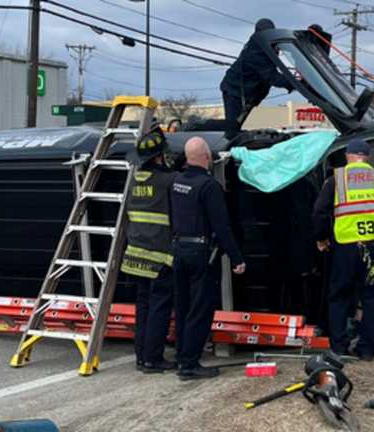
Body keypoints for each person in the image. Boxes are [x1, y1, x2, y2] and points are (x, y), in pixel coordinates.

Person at [313, 139, 374, 359]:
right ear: (368, 157)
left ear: (348, 156)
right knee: (372, 297)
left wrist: (322, 238)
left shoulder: (336, 178)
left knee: (339, 296)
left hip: (345, 247)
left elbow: (320, 212)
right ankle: (366, 350)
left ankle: (339, 348)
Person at [170, 137, 246, 380]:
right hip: (202, 254)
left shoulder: (177, 181)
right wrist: (236, 258)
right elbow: (221, 226)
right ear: (205, 157)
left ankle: (182, 355)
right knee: (200, 309)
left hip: (179, 249)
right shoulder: (209, 186)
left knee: (182, 307)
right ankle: (190, 364)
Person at [120, 126, 177, 373]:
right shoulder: (168, 180)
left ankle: (141, 356)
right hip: (160, 258)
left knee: (142, 307)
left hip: (135, 256)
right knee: (159, 309)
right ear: (158, 157)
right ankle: (154, 358)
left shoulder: (133, 180)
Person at [219, 18, 295, 140]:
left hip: (247, 94)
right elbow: (272, 77)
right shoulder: (255, 52)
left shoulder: (266, 46)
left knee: (238, 128)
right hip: (234, 91)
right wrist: (295, 83)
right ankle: (225, 148)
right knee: (233, 131)